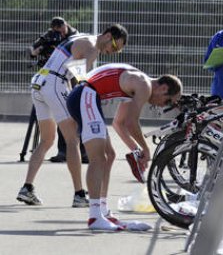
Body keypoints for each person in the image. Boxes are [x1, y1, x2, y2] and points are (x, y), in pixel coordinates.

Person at [16, 24, 128, 207]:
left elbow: (74, 75)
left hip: (39, 81)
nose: (112, 52)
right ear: (108, 36)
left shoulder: (84, 38)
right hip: (53, 83)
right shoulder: (93, 48)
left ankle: (27, 188)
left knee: (47, 140)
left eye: (117, 51)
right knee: (73, 139)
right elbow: (85, 82)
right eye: (114, 46)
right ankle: (79, 194)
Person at [66, 63, 182, 230]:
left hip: (86, 95)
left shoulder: (136, 85)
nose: (164, 106)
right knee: (98, 158)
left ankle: (103, 211)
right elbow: (131, 122)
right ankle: (94, 216)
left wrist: (136, 150)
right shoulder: (144, 85)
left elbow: (119, 124)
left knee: (109, 155)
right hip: (86, 95)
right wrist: (146, 149)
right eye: (169, 101)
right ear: (163, 88)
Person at [28, 17, 88, 164]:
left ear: (65, 25)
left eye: (60, 30)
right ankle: (63, 152)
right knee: (62, 117)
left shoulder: (75, 36)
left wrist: (80, 84)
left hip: (72, 77)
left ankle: (84, 152)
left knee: (76, 117)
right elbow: (31, 50)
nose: (59, 34)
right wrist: (39, 49)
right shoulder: (50, 35)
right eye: (56, 31)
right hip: (54, 80)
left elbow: (79, 63)